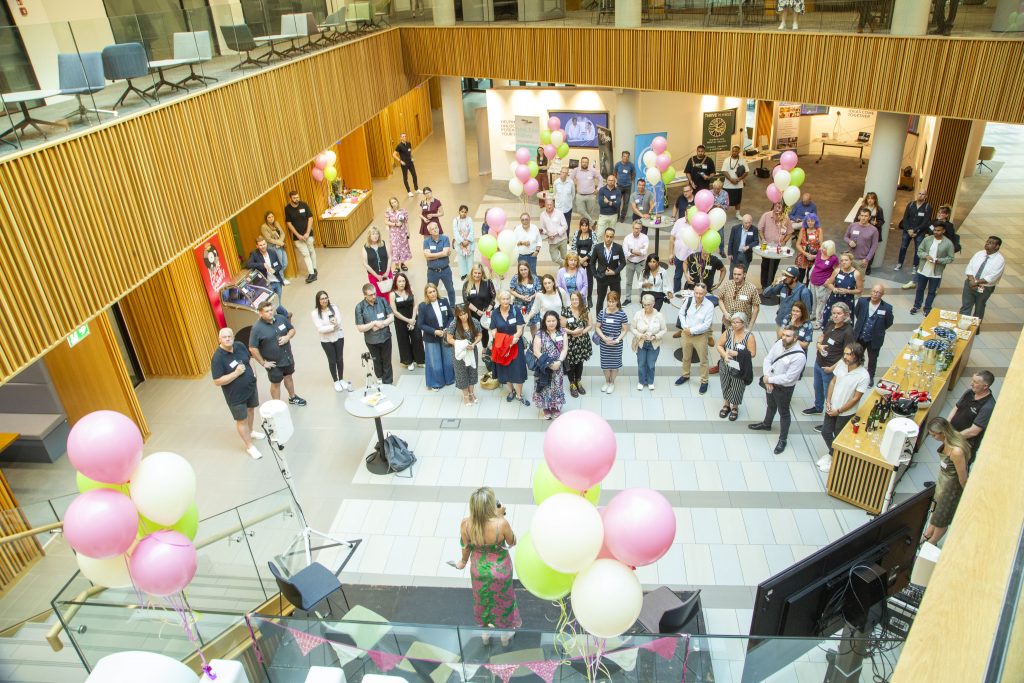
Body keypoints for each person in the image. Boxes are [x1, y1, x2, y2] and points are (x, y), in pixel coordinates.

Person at [453, 487, 521, 645]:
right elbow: (513, 541)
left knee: (482, 600)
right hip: (500, 570)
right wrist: (500, 516)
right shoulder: (501, 524)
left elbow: (466, 547)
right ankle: (504, 636)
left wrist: (462, 562)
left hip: (478, 570)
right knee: (503, 600)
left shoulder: (465, 524)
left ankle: (485, 634)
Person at [749, 327, 808, 454]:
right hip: (770, 382)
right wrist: (767, 378)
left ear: (795, 338)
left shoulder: (799, 356)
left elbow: (789, 378)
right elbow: (768, 359)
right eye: (783, 335)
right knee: (770, 405)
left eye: (788, 336)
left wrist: (770, 379)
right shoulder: (778, 344)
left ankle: (783, 439)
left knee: (784, 412)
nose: (784, 338)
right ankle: (766, 424)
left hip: (784, 389)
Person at [210, 327, 263, 460]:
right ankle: (250, 446)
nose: (228, 339)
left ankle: (251, 431)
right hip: (235, 395)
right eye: (225, 337)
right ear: (219, 339)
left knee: (251, 410)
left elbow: (249, 359)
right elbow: (217, 381)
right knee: (242, 419)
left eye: (230, 336)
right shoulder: (217, 358)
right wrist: (236, 373)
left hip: (250, 387)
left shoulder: (239, 345)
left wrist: (254, 375)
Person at [817, 343, 870, 473]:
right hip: (832, 407)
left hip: (845, 413)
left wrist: (839, 411)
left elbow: (855, 398)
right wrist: (828, 400)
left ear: (857, 357)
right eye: (845, 353)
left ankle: (836, 460)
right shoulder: (842, 364)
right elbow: (833, 381)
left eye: (849, 354)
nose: (845, 357)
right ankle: (832, 454)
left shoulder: (863, 376)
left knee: (839, 436)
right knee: (826, 432)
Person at [922, 417, 972, 546]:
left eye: (934, 435)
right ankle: (928, 533)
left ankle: (931, 543)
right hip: (943, 483)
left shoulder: (956, 452)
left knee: (942, 519)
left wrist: (966, 496)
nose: (933, 437)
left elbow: (963, 477)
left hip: (951, 489)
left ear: (942, 433)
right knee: (937, 512)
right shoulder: (949, 440)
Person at [248, 301, 307, 405]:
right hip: (274, 364)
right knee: (276, 384)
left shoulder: (281, 318)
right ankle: (277, 405)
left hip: (287, 357)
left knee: (288, 377)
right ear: (260, 313)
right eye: (267, 311)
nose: (270, 312)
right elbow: (252, 348)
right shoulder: (256, 329)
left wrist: (287, 337)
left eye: (271, 310)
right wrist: (263, 363)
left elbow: (292, 330)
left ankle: (292, 397)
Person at [804, 302, 856, 416]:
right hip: (819, 362)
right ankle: (818, 407)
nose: (835, 316)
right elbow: (822, 335)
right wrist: (818, 344)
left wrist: (831, 368)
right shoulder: (831, 323)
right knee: (817, 387)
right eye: (833, 313)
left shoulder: (848, 332)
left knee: (829, 394)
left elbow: (847, 355)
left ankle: (829, 416)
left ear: (846, 315)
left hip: (830, 367)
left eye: (839, 313)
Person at [674, 283, 715, 393]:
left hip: (700, 336)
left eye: (701, 293)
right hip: (686, 334)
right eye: (696, 293)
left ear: (705, 293)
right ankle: (685, 375)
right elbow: (681, 314)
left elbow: (706, 324)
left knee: (703, 360)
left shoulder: (709, 306)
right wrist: (685, 327)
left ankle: (704, 381)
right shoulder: (688, 301)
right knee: (686, 357)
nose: (698, 295)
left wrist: (692, 330)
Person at [715, 311, 757, 421]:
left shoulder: (749, 336)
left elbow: (752, 353)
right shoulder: (728, 332)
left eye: (738, 322)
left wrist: (738, 353)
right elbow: (719, 345)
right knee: (725, 384)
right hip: (726, 365)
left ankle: (735, 407)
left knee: (737, 387)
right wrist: (724, 355)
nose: (735, 324)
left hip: (740, 367)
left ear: (744, 323)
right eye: (733, 322)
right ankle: (726, 404)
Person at [490, 290, 529, 405]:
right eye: (503, 299)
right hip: (502, 347)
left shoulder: (515, 310)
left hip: (516, 345)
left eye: (507, 298)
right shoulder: (495, 313)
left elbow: (520, 328)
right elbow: (493, 331)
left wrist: (512, 341)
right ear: (499, 300)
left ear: (510, 299)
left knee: (518, 369)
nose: (506, 301)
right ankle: (511, 391)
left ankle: (519, 394)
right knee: (505, 370)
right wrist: (506, 343)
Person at [947, 371, 996, 459]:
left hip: (964, 444)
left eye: (975, 382)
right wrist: (947, 425)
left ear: (985, 386)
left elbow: (974, 431)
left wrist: (953, 438)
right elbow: (956, 408)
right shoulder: (969, 392)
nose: (971, 384)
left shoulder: (988, 406)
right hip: (952, 437)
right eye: (972, 380)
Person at [311, 290, 353, 392]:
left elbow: (339, 321)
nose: (324, 300)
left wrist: (333, 326)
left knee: (339, 358)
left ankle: (341, 379)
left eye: (326, 298)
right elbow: (320, 329)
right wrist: (332, 327)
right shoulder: (315, 313)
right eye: (322, 299)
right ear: (318, 301)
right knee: (332, 360)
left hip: (338, 336)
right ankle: (335, 381)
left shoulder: (334, 308)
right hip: (326, 340)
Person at [960, 236, 1004, 331]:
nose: (987, 244)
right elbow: (969, 267)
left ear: (997, 246)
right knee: (966, 305)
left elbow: (992, 277)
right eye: (987, 242)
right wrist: (971, 280)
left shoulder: (1000, 260)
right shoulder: (979, 253)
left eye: (991, 243)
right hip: (970, 283)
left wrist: (976, 282)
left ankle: (974, 329)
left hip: (985, 287)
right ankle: (962, 327)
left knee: (979, 307)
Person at [354, 283, 395, 384]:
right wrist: (373, 324)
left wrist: (382, 324)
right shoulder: (359, 307)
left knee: (387, 360)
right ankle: (380, 378)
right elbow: (360, 328)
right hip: (372, 341)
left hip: (385, 337)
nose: (374, 297)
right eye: (371, 295)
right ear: (365, 295)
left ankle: (388, 382)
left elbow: (391, 317)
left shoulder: (382, 301)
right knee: (377, 361)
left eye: (374, 294)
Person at [852, 284, 894, 383]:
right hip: (860, 336)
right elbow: (857, 314)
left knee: (872, 359)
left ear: (882, 294)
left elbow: (888, 323)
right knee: (857, 355)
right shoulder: (862, 302)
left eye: (878, 292)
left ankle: (870, 377)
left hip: (874, 339)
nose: (875, 294)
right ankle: (856, 373)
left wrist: (878, 330)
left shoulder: (887, 308)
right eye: (874, 291)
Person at [417, 283, 455, 392]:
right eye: (430, 292)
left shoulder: (444, 301)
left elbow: (451, 317)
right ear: (426, 294)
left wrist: (447, 328)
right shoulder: (423, 306)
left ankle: (449, 379)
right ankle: (436, 383)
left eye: (434, 291)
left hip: (445, 334)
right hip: (431, 338)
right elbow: (420, 324)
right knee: (435, 361)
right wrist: (434, 331)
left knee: (448, 359)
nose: (432, 294)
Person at [911, 223, 955, 315]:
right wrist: (926, 256)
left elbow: (951, 258)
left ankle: (927, 308)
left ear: (943, 231)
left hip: (936, 272)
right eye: (935, 230)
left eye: (938, 230)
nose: (936, 232)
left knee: (932, 291)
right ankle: (916, 305)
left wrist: (939, 260)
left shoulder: (948, 243)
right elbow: (919, 251)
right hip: (923, 269)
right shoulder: (927, 239)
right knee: (920, 289)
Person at [532, 310, 568, 419]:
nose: (551, 323)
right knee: (544, 386)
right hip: (544, 366)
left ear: (557, 321)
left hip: (558, 365)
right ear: (545, 322)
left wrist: (559, 362)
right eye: (549, 321)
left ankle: (554, 407)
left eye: (553, 320)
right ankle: (546, 408)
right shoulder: (540, 333)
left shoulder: (562, 332)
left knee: (556, 386)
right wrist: (548, 363)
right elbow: (536, 351)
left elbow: (565, 348)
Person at [447, 304, 483, 406]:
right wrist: (462, 344)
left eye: (465, 313)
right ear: (457, 315)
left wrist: (474, 344)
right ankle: (465, 396)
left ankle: (472, 393)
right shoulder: (454, 324)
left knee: (472, 371)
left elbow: (479, 334)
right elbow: (449, 339)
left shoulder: (474, 322)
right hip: (459, 353)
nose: (463, 317)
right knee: (461, 374)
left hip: (472, 350)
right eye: (461, 315)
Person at [630, 293, 667, 391]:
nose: (647, 307)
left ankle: (650, 381)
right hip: (641, 343)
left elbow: (664, 330)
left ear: (654, 303)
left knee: (651, 364)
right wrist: (640, 335)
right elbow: (632, 328)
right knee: (641, 363)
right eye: (644, 304)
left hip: (653, 344)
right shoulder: (638, 314)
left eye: (649, 304)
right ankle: (641, 381)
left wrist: (655, 336)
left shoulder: (659, 315)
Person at [245, 236, 289, 317]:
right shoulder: (254, 254)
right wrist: (262, 265)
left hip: (277, 281)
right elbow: (248, 264)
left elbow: (279, 265)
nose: (263, 246)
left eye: (264, 244)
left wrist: (275, 270)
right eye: (261, 245)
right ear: (257, 246)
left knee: (277, 303)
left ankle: (281, 317)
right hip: (267, 284)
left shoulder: (272, 252)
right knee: (274, 304)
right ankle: (286, 315)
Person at [595, 291, 629, 394]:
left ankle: (612, 382)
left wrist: (617, 339)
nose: (611, 304)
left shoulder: (622, 314)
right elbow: (597, 327)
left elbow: (625, 330)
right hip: (605, 343)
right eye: (609, 301)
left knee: (614, 366)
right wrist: (604, 338)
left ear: (617, 301)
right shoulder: (602, 312)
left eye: (613, 301)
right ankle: (607, 381)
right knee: (605, 365)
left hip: (616, 344)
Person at [391, 272, 424, 371]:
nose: (402, 283)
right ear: (396, 282)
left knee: (417, 339)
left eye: (403, 281)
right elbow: (395, 311)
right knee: (403, 341)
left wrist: (413, 319)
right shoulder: (392, 294)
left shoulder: (410, 290)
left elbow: (415, 305)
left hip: (413, 318)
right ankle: (408, 361)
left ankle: (420, 360)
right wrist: (407, 320)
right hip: (401, 321)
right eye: (399, 281)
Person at [563, 291, 593, 398]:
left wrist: (581, 332)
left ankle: (578, 381)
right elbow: (562, 328)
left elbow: (590, 325)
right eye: (573, 299)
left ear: (580, 299)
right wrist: (572, 332)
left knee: (580, 362)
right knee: (571, 364)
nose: (575, 301)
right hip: (570, 341)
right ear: (570, 300)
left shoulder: (585, 310)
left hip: (582, 341)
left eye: (577, 299)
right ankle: (572, 384)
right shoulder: (566, 311)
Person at [284, 190, 317, 283]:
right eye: (294, 198)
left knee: (311, 251)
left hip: (308, 234)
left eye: (297, 197)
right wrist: (297, 235)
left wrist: (307, 232)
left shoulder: (304, 205)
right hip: (298, 237)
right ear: (290, 198)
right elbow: (289, 223)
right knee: (305, 254)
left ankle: (314, 269)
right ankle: (311, 274)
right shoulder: (287, 209)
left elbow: (310, 218)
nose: (296, 199)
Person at [822, 252, 863, 327]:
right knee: (830, 319)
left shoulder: (856, 274)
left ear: (851, 261)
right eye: (842, 260)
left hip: (847, 300)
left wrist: (848, 291)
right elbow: (829, 283)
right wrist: (834, 289)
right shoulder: (837, 271)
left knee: (844, 322)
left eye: (846, 260)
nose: (844, 262)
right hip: (834, 298)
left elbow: (860, 290)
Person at [896, 190, 933, 271]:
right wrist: (909, 229)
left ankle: (914, 266)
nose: (921, 195)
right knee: (903, 247)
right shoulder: (911, 204)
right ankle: (899, 263)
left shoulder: (928, 207)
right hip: (907, 230)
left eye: (923, 194)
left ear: (926, 196)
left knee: (918, 249)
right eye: (919, 193)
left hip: (920, 232)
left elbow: (926, 222)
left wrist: (916, 231)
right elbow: (905, 218)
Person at [717, 263, 760, 332]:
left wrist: (750, 326)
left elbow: (756, 308)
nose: (736, 276)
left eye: (739, 274)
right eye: (734, 274)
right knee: (725, 341)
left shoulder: (752, 288)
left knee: (740, 342)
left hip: (742, 324)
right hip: (727, 322)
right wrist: (725, 312)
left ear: (744, 275)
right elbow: (720, 299)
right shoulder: (727, 284)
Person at [757, 203, 792, 288]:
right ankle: (764, 284)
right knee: (765, 264)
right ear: (773, 207)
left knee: (774, 265)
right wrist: (763, 239)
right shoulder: (766, 215)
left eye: (780, 207)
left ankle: (770, 284)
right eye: (777, 206)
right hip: (767, 246)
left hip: (778, 247)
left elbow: (790, 232)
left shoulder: (786, 218)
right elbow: (760, 229)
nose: (778, 209)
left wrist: (784, 240)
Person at [463, 262, 497, 350]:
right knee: (472, 332)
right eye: (475, 273)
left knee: (485, 332)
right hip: (472, 313)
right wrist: (478, 311)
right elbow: (466, 301)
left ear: (482, 273)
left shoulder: (488, 283)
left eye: (479, 273)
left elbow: (493, 297)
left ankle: (484, 348)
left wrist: (488, 310)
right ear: (472, 273)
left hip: (486, 313)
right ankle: (471, 348)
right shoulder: (467, 284)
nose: (477, 275)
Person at [423, 221, 456, 310]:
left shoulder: (445, 238)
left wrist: (432, 256)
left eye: (436, 228)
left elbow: (444, 253)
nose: (435, 230)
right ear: (429, 232)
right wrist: (442, 254)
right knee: (430, 291)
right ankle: (432, 308)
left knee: (450, 290)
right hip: (432, 271)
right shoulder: (426, 241)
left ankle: (452, 307)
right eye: (432, 229)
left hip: (445, 270)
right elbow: (427, 256)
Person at [593, 227, 626, 313]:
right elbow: (592, 263)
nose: (608, 239)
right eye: (607, 236)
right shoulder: (597, 247)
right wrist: (596, 275)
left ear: (613, 237)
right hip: (601, 278)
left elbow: (623, 262)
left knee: (616, 300)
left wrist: (615, 272)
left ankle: (618, 318)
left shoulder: (618, 248)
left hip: (614, 279)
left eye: (611, 237)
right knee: (600, 300)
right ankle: (599, 319)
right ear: (604, 236)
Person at [809, 240, 838, 328]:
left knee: (821, 303)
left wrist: (829, 281)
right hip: (813, 281)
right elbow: (816, 264)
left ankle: (819, 321)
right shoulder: (819, 252)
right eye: (823, 247)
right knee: (813, 300)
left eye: (825, 248)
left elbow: (836, 271)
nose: (822, 249)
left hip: (823, 284)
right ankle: (813, 315)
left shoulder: (833, 258)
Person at [622, 220, 650, 306]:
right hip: (630, 263)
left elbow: (644, 252)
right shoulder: (627, 238)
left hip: (641, 263)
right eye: (635, 228)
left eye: (638, 228)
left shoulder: (645, 238)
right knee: (628, 282)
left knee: (642, 282)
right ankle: (628, 298)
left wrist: (631, 251)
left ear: (641, 229)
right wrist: (637, 252)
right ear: (632, 228)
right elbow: (625, 253)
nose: (636, 230)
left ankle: (642, 299)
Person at [843, 207, 880, 272]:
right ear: (859, 216)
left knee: (859, 280)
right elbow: (845, 237)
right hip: (850, 258)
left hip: (862, 260)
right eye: (862, 215)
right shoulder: (852, 225)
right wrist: (849, 241)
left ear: (869, 217)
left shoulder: (874, 230)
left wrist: (867, 259)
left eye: (866, 216)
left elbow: (874, 246)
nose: (863, 218)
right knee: (847, 279)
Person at [361, 226, 392, 302]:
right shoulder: (365, 247)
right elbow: (365, 264)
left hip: (386, 273)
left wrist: (387, 271)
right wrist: (376, 275)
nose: (375, 236)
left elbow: (390, 257)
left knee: (389, 293)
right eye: (373, 234)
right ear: (369, 236)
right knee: (377, 295)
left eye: (377, 233)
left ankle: (390, 309)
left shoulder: (383, 244)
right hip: (374, 276)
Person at [260, 211, 291, 285]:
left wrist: (280, 242)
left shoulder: (276, 223)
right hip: (273, 247)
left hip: (280, 245)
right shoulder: (264, 227)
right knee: (279, 264)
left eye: (272, 217)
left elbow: (282, 233)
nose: (271, 219)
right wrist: (279, 243)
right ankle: (282, 280)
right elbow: (268, 239)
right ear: (266, 219)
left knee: (285, 263)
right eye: (269, 217)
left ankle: (276, 277)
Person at [571, 218, 596, 306]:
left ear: (588, 226)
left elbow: (594, 248)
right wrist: (579, 260)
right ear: (580, 226)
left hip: (589, 260)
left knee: (589, 280)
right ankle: (578, 297)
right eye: (582, 225)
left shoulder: (592, 234)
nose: (584, 227)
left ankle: (589, 297)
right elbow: (573, 247)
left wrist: (585, 259)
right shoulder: (576, 233)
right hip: (578, 260)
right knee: (578, 279)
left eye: (586, 225)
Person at [510, 261, 540, 333]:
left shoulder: (534, 278)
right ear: (519, 270)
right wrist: (521, 297)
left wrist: (532, 297)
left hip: (531, 306)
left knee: (533, 326)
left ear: (528, 269)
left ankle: (534, 343)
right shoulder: (515, 278)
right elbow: (511, 290)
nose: (523, 272)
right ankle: (522, 343)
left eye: (525, 269)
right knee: (520, 326)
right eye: (521, 270)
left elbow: (539, 291)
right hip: (519, 306)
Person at [668, 215, 695, 294]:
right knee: (677, 276)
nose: (688, 216)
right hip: (680, 255)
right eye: (687, 213)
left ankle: (692, 295)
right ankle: (676, 294)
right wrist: (670, 253)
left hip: (693, 257)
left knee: (693, 278)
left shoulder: (698, 222)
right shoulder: (679, 221)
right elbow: (672, 238)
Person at [570, 157, 602, 223]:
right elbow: (570, 180)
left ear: (588, 163)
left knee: (589, 213)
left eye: (586, 162)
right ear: (580, 163)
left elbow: (601, 179)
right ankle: (592, 222)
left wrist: (598, 189)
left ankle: (585, 227)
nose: (584, 164)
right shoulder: (576, 170)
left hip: (591, 195)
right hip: (579, 195)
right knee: (580, 210)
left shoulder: (593, 170)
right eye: (583, 162)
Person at [385, 197, 412, 272]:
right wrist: (395, 224)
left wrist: (408, 231)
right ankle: (397, 266)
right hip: (394, 233)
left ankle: (402, 263)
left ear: (397, 202)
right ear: (390, 204)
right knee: (395, 248)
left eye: (395, 202)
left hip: (402, 233)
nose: (394, 204)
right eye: (392, 203)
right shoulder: (389, 212)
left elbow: (406, 222)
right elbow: (386, 221)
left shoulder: (403, 211)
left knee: (403, 247)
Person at [539, 198, 569, 265]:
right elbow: (542, 228)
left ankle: (563, 271)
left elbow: (565, 226)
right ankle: (567, 265)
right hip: (552, 241)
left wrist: (556, 233)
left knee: (564, 257)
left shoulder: (559, 213)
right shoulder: (542, 215)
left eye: (551, 205)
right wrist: (547, 233)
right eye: (547, 205)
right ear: (545, 205)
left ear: (553, 205)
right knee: (554, 258)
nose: (549, 206)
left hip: (562, 239)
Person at [794, 213, 822, 283]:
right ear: (806, 222)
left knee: (810, 276)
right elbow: (798, 244)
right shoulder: (803, 230)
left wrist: (815, 256)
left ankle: (807, 291)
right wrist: (805, 253)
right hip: (803, 255)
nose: (810, 223)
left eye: (812, 221)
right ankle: (799, 291)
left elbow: (822, 246)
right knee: (800, 275)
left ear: (815, 221)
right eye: (808, 221)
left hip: (814, 256)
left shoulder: (819, 230)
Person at [720, 145, 747, 215]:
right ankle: (723, 213)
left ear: (739, 152)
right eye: (733, 151)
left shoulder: (742, 160)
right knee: (725, 200)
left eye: (736, 151)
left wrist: (739, 179)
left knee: (738, 201)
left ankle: (738, 214)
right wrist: (731, 180)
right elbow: (724, 171)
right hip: (727, 185)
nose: (734, 153)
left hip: (738, 185)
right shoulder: (726, 160)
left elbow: (746, 172)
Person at [452, 204, 476, 279]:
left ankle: (471, 274)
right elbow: (455, 232)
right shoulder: (455, 220)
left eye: (465, 212)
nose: (463, 213)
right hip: (460, 243)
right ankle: (463, 274)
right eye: (462, 211)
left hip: (469, 242)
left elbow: (472, 230)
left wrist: (468, 240)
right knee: (461, 259)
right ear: (459, 212)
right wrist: (462, 241)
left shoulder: (469, 219)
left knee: (470, 259)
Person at [393, 132, 419, 196]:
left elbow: (410, 152)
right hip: (404, 164)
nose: (404, 137)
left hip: (410, 162)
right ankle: (409, 191)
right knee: (405, 177)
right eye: (403, 136)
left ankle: (416, 189)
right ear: (400, 138)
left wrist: (412, 157)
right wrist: (400, 161)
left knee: (414, 175)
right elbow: (394, 154)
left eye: (405, 136)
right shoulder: (399, 146)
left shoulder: (408, 143)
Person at [614, 151, 636, 221]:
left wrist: (630, 180)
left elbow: (634, 174)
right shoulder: (617, 164)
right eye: (624, 156)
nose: (626, 158)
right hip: (619, 186)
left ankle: (622, 216)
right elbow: (614, 172)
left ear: (628, 157)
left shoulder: (631, 165)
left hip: (628, 187)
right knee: (617, 202)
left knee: (626, 203)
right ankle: (617, 216)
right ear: (622, 156)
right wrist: (618, 179)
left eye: (627, 157)